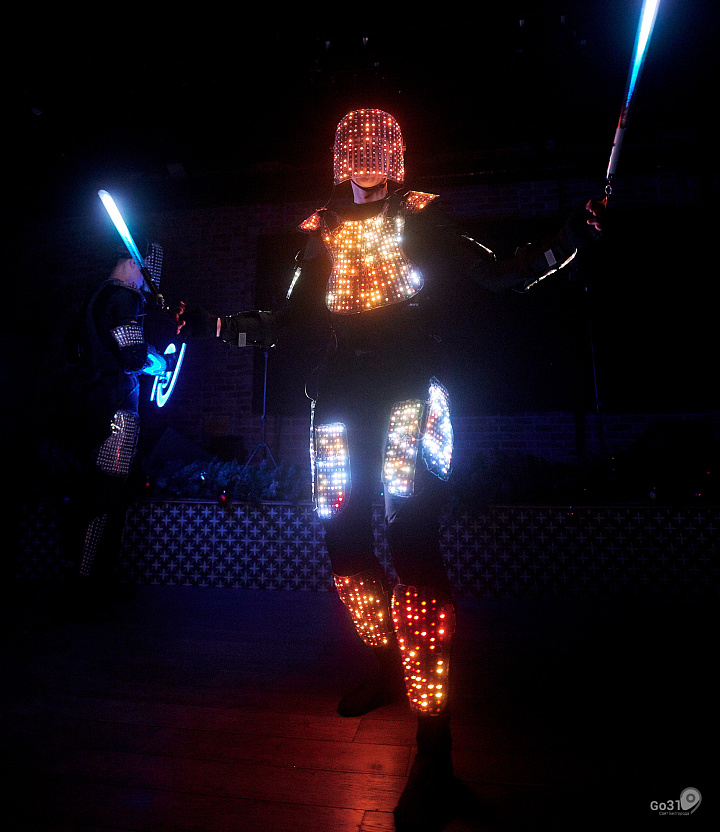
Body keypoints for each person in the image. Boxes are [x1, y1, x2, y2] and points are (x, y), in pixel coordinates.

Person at [176, 108, 604, 830]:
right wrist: (218, 325)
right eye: (355, 145)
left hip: (411, 393)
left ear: (397, 154)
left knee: (414, 551)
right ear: (338, 155)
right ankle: (384, 663)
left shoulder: (422, 215)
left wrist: (569, 240)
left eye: (379, 145)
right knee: (342, 545)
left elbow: (500, 273)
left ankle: (435, 749)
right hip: (340, 400)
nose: (366, 155)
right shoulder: (319, 229)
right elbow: (280, 320)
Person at [45, 247, 169, 616]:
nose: (147, 287)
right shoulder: (122, 296)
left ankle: (93, 580)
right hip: (115, 406)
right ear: (133, 264)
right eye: (146, 276)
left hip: (94, 403)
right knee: (105, 494)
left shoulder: (96, 297)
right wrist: (155, 360)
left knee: (104, 492)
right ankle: (85, 584)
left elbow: (80, 351)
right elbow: (132, 353)